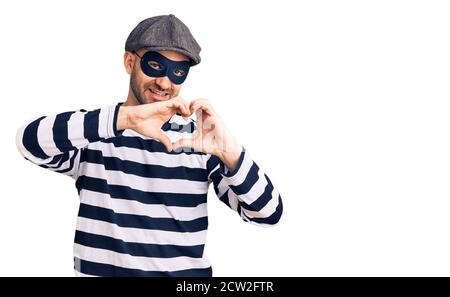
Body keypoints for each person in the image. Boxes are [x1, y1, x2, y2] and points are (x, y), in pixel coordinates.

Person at [15, 14, 283, 277]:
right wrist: (127, 118)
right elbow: (28, 142)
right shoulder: (94, 132)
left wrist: (228, 150)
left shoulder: (200, 141)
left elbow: (267, 213)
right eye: (155, 65)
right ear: (129, 62)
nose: (165, 82)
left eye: (178, 72)